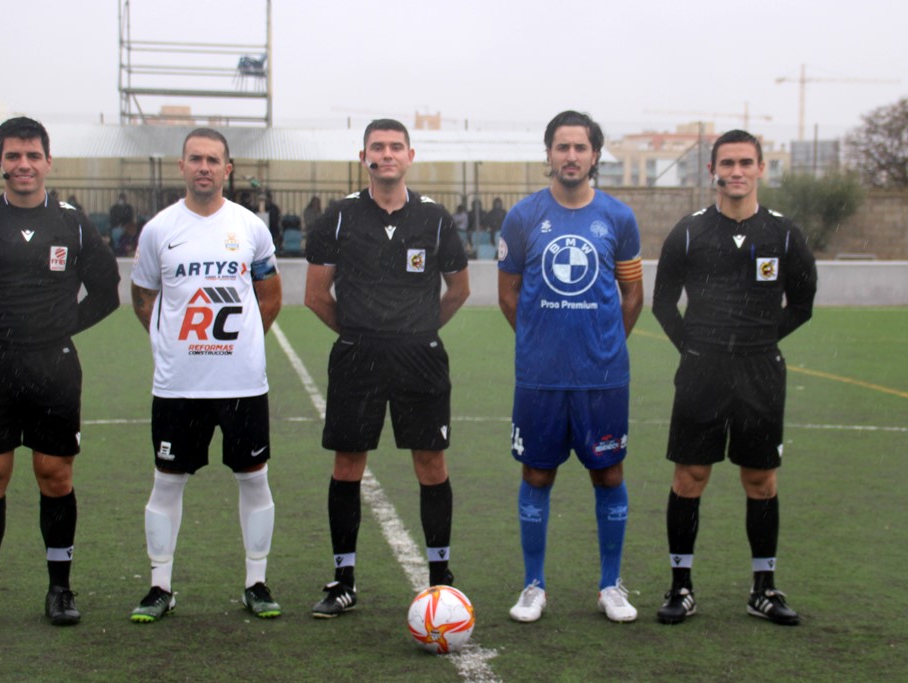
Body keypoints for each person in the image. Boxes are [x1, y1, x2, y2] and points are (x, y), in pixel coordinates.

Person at [0, 116, 121, 630]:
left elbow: (107, 292)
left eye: (33, 155)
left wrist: (62, 327)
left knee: (55, 476)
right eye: (13, 156)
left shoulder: (72, 223)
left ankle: (59, 589)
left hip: (53, 366)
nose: (24, 165)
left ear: (48, 162)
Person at [304, 118, 470, 618]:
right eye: (377, 147)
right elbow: (316, 295)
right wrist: (360, 331)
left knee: (431, 463)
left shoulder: (435, 218)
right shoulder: (339, 217)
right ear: (364, 158)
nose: (387, 154)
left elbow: (458, 290)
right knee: (347, 464)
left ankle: (440, 577)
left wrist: (418, 329)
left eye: (396, 146)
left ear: (410, 156)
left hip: (421, 358)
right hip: (358, 357)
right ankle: (343, 580)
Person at [652, 129, 817, 626]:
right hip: (701, 370)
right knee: (690, 476)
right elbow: (663, 304)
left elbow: (802, 304)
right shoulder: (689, 232)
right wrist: (696, 348)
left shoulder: (783, 234)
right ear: (713, 172)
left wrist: (757, 342)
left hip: (759, 371)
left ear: (761, 168)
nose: (737, 171)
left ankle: (763, 589)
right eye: (727, 163)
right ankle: (681, 587)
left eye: (746, 162)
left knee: (761, 479)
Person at [129, 127, 284, 623]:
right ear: (182, 166)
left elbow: (270, 296)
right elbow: (143, 297)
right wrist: (170, 345)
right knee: (167, 482)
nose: (203, 167)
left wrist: (243, 344)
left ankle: (256, 583)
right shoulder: (159, 230)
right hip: (179, 385)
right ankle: (160, 587)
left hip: (242, 383)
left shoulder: (250, 227)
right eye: (195, 158)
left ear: (227, 169)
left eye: (213, 160)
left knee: (254, 479)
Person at [497, 110, 644, 624]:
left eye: (581, 147)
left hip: (603, 377)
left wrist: (604, 345)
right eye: (562, 147)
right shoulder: (522, 217)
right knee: (537, 473)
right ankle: (533, 585)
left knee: (608, 473)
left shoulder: (619, 218)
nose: (571, 156)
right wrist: (539, 342)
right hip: (540, 377)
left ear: (595, 155)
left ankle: (610, 586)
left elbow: (632, 295)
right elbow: (508, 294)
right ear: (549, 154)